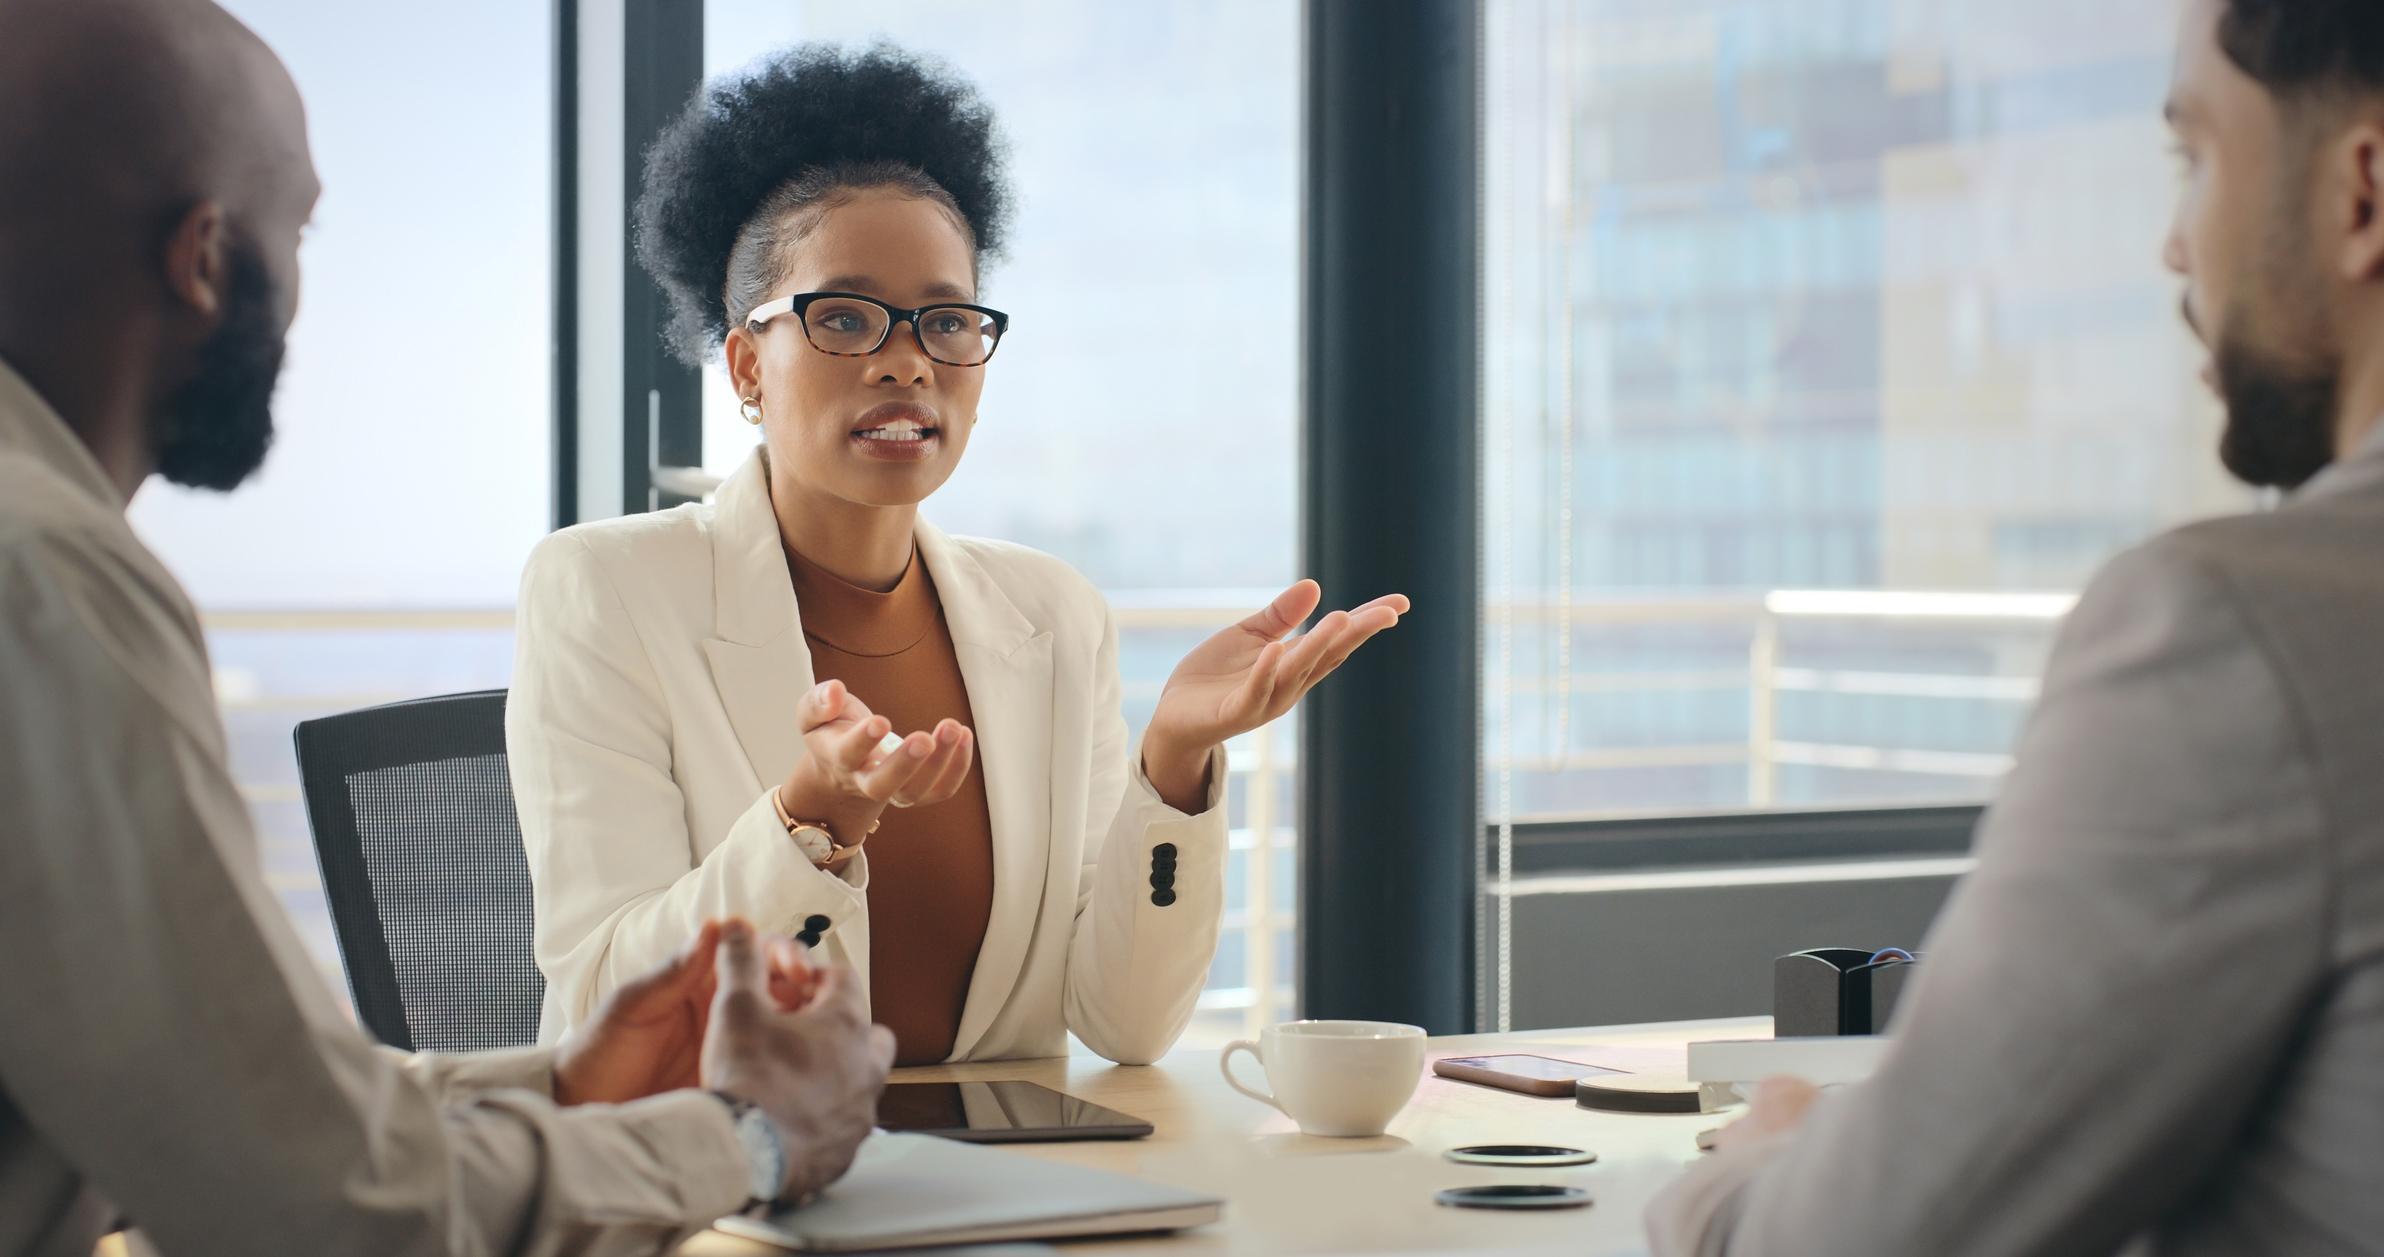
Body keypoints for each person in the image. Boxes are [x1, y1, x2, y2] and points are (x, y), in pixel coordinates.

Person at [0, 2, 894, 1253]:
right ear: (203, 258)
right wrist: (741, 1136)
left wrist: (566, 1085)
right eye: (296, 229)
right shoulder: (47, 579)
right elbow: (310, 1204)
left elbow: (232, 1111)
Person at [1647, 1, 2384, 1253]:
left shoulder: (2239, 632)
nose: (2170, 247)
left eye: (2192, 154)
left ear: (2362, 192)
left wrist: (1752, 1169)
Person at [508, 44, 1408, 1067]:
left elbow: (1124, 1023)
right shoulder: (606, 592)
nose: (906, 360)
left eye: (945, 321)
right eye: (844, 317)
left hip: (1000, 1192)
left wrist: (1174, 761)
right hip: (724, 1188)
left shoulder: (1054, 613)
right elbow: (602, 1005)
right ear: (749, 364)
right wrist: (810, 825)